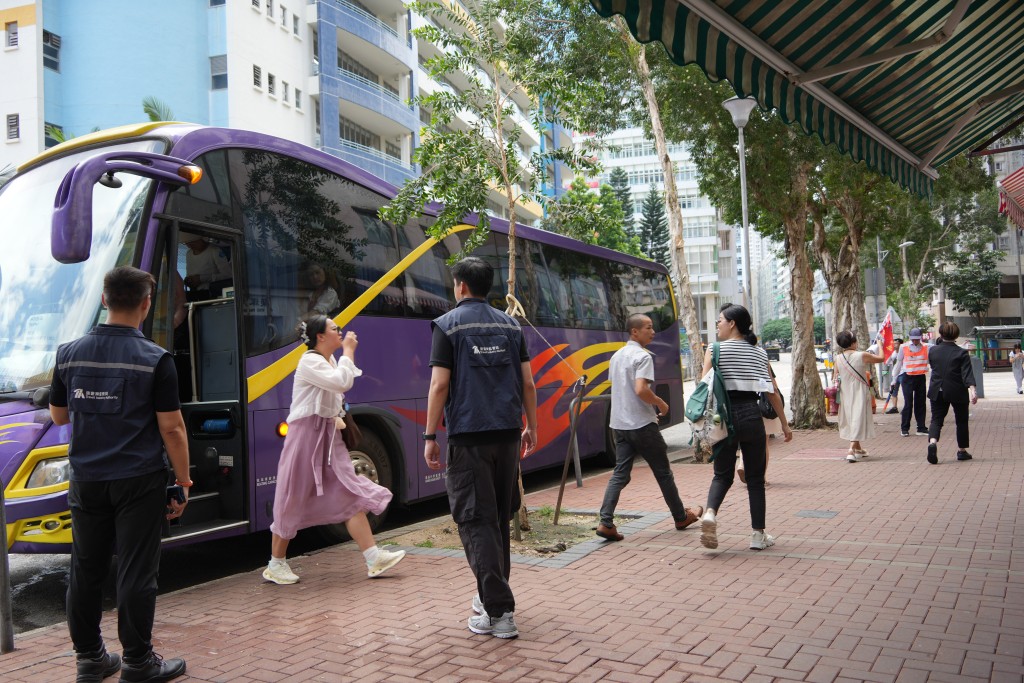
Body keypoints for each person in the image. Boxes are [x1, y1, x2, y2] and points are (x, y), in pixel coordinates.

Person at [49, 266, 190, 683]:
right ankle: (138, 662)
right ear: (146, 305)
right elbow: (172, 428)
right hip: (138, 479)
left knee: (86, 568)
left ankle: (90, 659)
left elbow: (60, 415)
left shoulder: (69, 352)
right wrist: (182, 481)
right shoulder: (156, 360)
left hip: (86, 479)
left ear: (105, 299)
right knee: (135, 569)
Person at [424, 257, 537, 640]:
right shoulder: (510, 324)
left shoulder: (447, 326)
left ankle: (499, 612)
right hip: (506, 434)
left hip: (469, 437)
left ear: (459, 286)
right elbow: (529, 384)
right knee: (498, 519)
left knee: (475, 520)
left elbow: (439, 387)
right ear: (487, 286)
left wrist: (428, 437)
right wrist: (531, 427)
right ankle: (488, 597)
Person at [264, 315, 404, 585]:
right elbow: (341, 382)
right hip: (305, 436)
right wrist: (349, 351)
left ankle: (373, 557)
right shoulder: (310, 361)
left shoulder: (326, 360)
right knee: (292, 494)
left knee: (349, 490)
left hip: (327, 437)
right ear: (320, 336)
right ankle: (276, 563)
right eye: (334, 329)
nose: (340, 332)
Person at [596, 314, 702, 542]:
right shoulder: (643, 357)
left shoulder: (616, 357)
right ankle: (681, 516)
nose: (652, 331)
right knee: (664, 473)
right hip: (642, 425)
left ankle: (605, 522)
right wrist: (661, 402)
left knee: (620, 474)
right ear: (634, 332)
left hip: (620, 426)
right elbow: (641, 389)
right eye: (648, 327)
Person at [699, 304, 792, 552]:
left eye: (720, 320)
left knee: (722, 475)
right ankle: (757, 535)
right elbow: (771, 390)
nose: (717, 324)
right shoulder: (759, 353)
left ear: (732, 323)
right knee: (755, 479)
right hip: (751, 415)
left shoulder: (714, 350)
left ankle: (710, 513)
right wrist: (784, 423)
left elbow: (702, 387)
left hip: (723, 418)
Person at [926, 322, 978, 464]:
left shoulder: (933, 351)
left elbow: (934, 367)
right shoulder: (961, 353)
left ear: (941, 334)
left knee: (936, 419)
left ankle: (932, 442)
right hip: (957, 390)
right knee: (961, 421)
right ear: (956, 335)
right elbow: (967, 374)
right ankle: (962, 451)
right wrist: (973, 390)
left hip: (937, 389)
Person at [834, 331, 886, 462]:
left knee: (851, 418)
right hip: (860, 391)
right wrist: (880, 345)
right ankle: (851, 449)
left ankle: (858, 449)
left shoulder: (838, 358)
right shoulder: (861, 355)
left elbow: (835, 377)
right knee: (858, 418)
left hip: (845, 393)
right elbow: (881, 359)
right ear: (853, 343)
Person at [896, 328, 929, 437]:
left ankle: (921, 428)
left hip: (920, 377)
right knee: (908, 403)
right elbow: (899, 363)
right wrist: (894, 379)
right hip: (907, 378)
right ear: (910, 338)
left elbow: (941, 348)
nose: (915, 341)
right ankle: (904, 428)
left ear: (921, 338)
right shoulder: (903, 347)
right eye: (913, 339)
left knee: (921, 403)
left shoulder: (926, 347)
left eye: (917, 339)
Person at [180, 232, 231, 299]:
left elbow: (228, 275)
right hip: (195, 294)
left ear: (201, 239)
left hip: (212, 295)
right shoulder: (188, 254)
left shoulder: (215, 251)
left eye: (191, 242)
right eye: (186, 243)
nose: (189, 246)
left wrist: (201, 279)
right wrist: (189, 281)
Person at [882, 337, 904, 414]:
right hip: (895, 375)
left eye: (896, 343)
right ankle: (894, 407)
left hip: (903, 373)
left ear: (901, 344)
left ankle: (907, 407)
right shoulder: (893, 353)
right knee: (893, 391)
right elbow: (887, 362)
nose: (894, 345)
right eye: (894, 343)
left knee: (906, 391)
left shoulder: (904, 352)